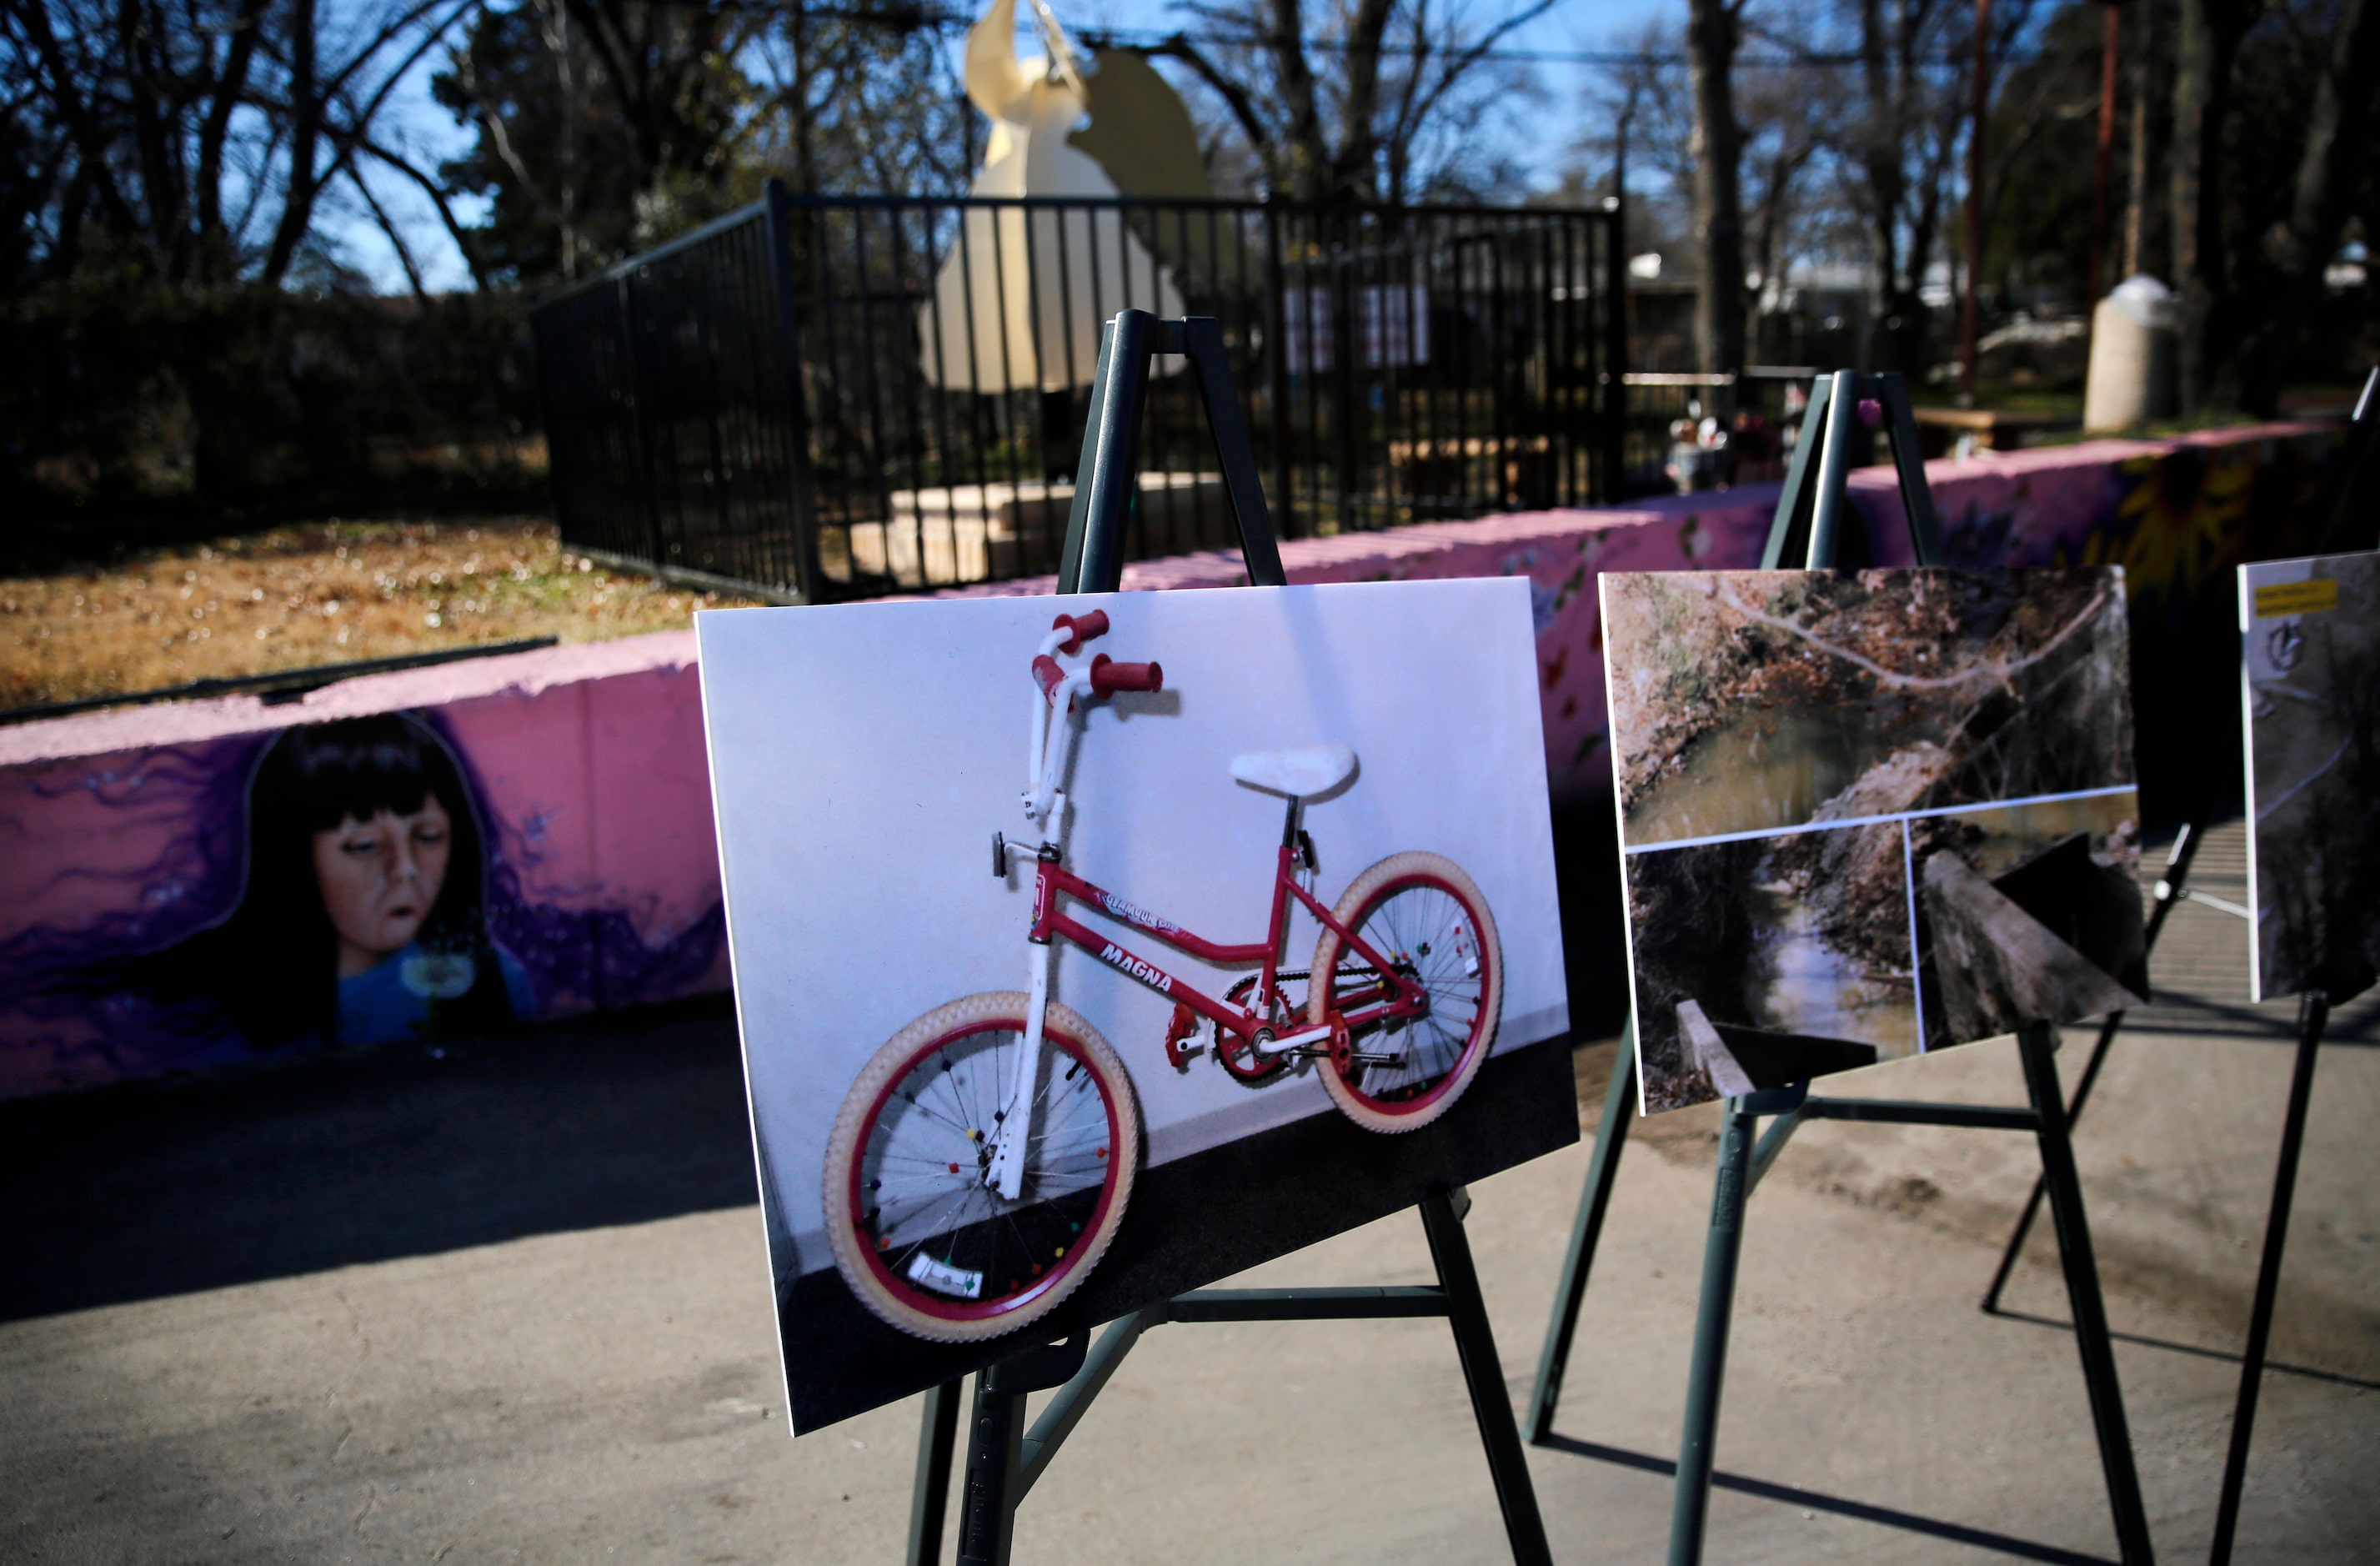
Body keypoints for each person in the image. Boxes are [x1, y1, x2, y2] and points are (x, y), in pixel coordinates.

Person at [123, 713, 534, 1050]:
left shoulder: (494, 979)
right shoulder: (207, 1013)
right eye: (366, 845)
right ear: (295, 857)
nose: (404, 868)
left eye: (427, 838)